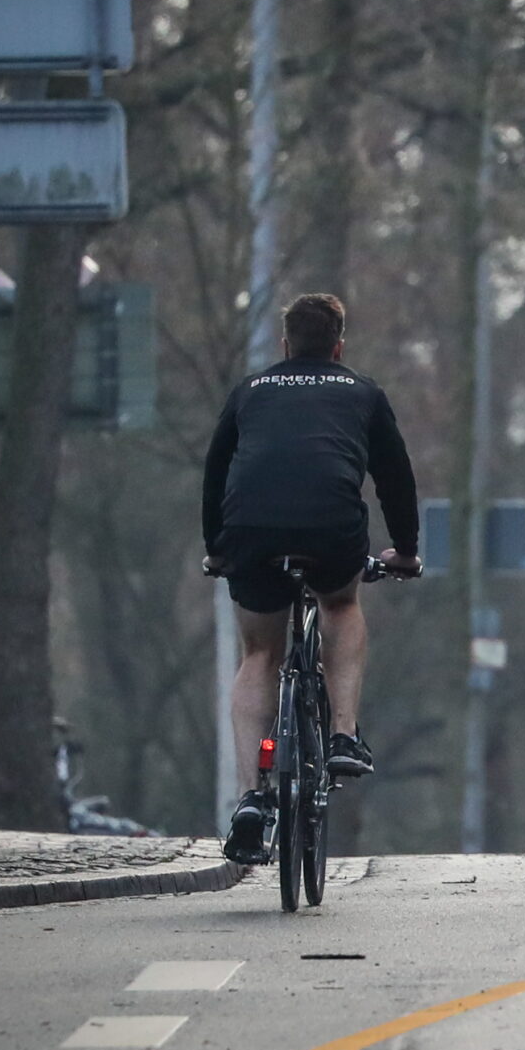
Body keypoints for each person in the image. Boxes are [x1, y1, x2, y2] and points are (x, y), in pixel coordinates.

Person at [202, 293, 422, 863]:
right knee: (341, 606)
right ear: (338, 346)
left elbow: (216, 470)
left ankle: (252, 797)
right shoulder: (363, 392)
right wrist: (407, 551)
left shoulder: (250, 391)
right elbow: (394, 477)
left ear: (285, 345)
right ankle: (344, 734)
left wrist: (218, 549)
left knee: (259, 655)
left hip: (249, 530)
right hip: (330, 528)